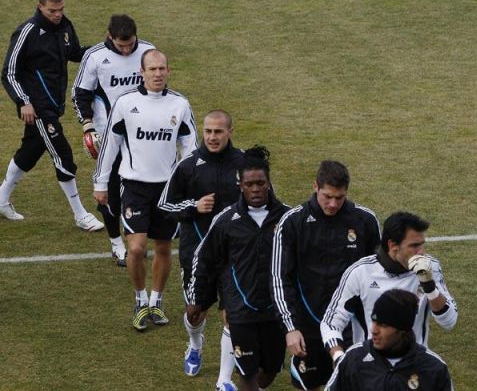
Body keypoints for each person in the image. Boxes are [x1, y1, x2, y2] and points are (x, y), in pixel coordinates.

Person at [93, 49, 197, 332]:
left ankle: (156, 301)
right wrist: (100, 183)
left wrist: (191, 185)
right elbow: (110, 146)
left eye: (162, 68)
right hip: (135, 187)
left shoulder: (180, 104)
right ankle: (140, 301)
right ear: (142, 72)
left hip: (167, 190)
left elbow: (191, 149)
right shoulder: (126, 103)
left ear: (168, 70)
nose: (158, 74)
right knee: (137, 248)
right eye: (152, 69)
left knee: (163, 247)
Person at [0, 0, 103, 231]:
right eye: (52, 11)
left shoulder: (65, 26)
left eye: (61, 9)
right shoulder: (27, 32)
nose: (58, 15)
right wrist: (23, 101)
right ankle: (80, 215)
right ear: (40, 7)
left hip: (54, 106)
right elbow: (9, 72)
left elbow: (75, 53)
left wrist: (103, 49)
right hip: (37, 108)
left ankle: (1, 200)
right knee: (63, 155)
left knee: (30, 152)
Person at [187, 146, 289, 391]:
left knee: (271, 370)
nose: (255, 189)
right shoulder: (226, 220)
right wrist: (198, 299)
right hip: (241, 310)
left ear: (269, 183)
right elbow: (205, 259)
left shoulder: (288, 218)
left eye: (260, 183)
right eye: (249, 184)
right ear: (240, 186)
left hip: (276, 310)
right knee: (247, 373)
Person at [271, 160, 380, 391]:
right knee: (309, 385)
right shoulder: (292, 223)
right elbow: (279, 279)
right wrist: (290, 327)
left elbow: (378, 275)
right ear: (315, 187)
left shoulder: (365, 221)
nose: (333, 204)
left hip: (352, 325)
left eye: (339, 198)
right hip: (308, 325)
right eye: (327, 196)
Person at [158, 109, 243, 388]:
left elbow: (265, 200)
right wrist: (194, 207)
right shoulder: (188, 166)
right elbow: (165, 205)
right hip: (196, 255)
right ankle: (195, 344)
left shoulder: (245, 164)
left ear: (230, 132)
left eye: (218, 131)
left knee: (232, 315)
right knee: (195, 312)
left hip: (234, 255)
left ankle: (223, 380)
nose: (212, 137)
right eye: (207, 131)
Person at [72, 14, 155, 265]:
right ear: (110, 36)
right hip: (109, 135)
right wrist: (87, 126)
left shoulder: (148, 51)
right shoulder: (95, 57)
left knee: (140, 187)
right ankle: (116, 244)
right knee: (109, 190)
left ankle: (134, 238)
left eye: (130, 44)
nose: (127, 50)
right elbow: (80, 94)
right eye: (121, 45)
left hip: (142, 134)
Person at [321, 212, 457, 362]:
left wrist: (430, 287)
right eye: (414, 246)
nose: (421, 252)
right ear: (393, 245)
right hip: (370, 367)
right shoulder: (360, 272)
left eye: (422, 244)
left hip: (414, 365)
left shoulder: (430, 267)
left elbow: (449, 321)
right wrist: (339, 358)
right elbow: (330, 323)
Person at [326, 289, 453, 391]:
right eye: (374, 321)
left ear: (402, 328)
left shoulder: (433, 368)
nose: (373, 330)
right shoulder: (353, 360)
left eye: (383, 325)